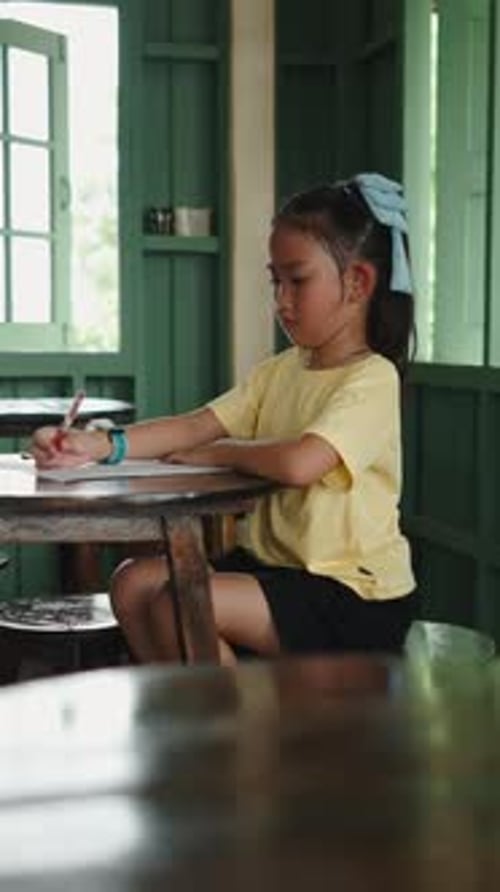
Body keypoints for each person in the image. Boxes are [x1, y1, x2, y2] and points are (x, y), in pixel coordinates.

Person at [31, 172, 417, 665]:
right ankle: (202, 711)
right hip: (273, 568)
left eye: (297, 280)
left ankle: (240, 735)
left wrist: (214, 454)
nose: (281, 300)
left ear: (358, 282)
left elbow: (302, 462)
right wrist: (95, 447)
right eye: (275, 281)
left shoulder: (371, 377)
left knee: (179, 605)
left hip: (350, 593)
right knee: (131, 582)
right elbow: (194, 425)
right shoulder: (279, 372)